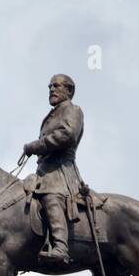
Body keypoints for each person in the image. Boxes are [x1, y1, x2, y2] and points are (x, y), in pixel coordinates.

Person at [21, 74, 84, 263]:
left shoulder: (73, 110)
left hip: (61, 172)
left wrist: (36, 146)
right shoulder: (50, 116)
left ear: (69, 91)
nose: (52, 90)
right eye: (50, 87)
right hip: (44, 171)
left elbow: (67, 135)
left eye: (56, 86)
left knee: (51, 197)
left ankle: (60, 247)